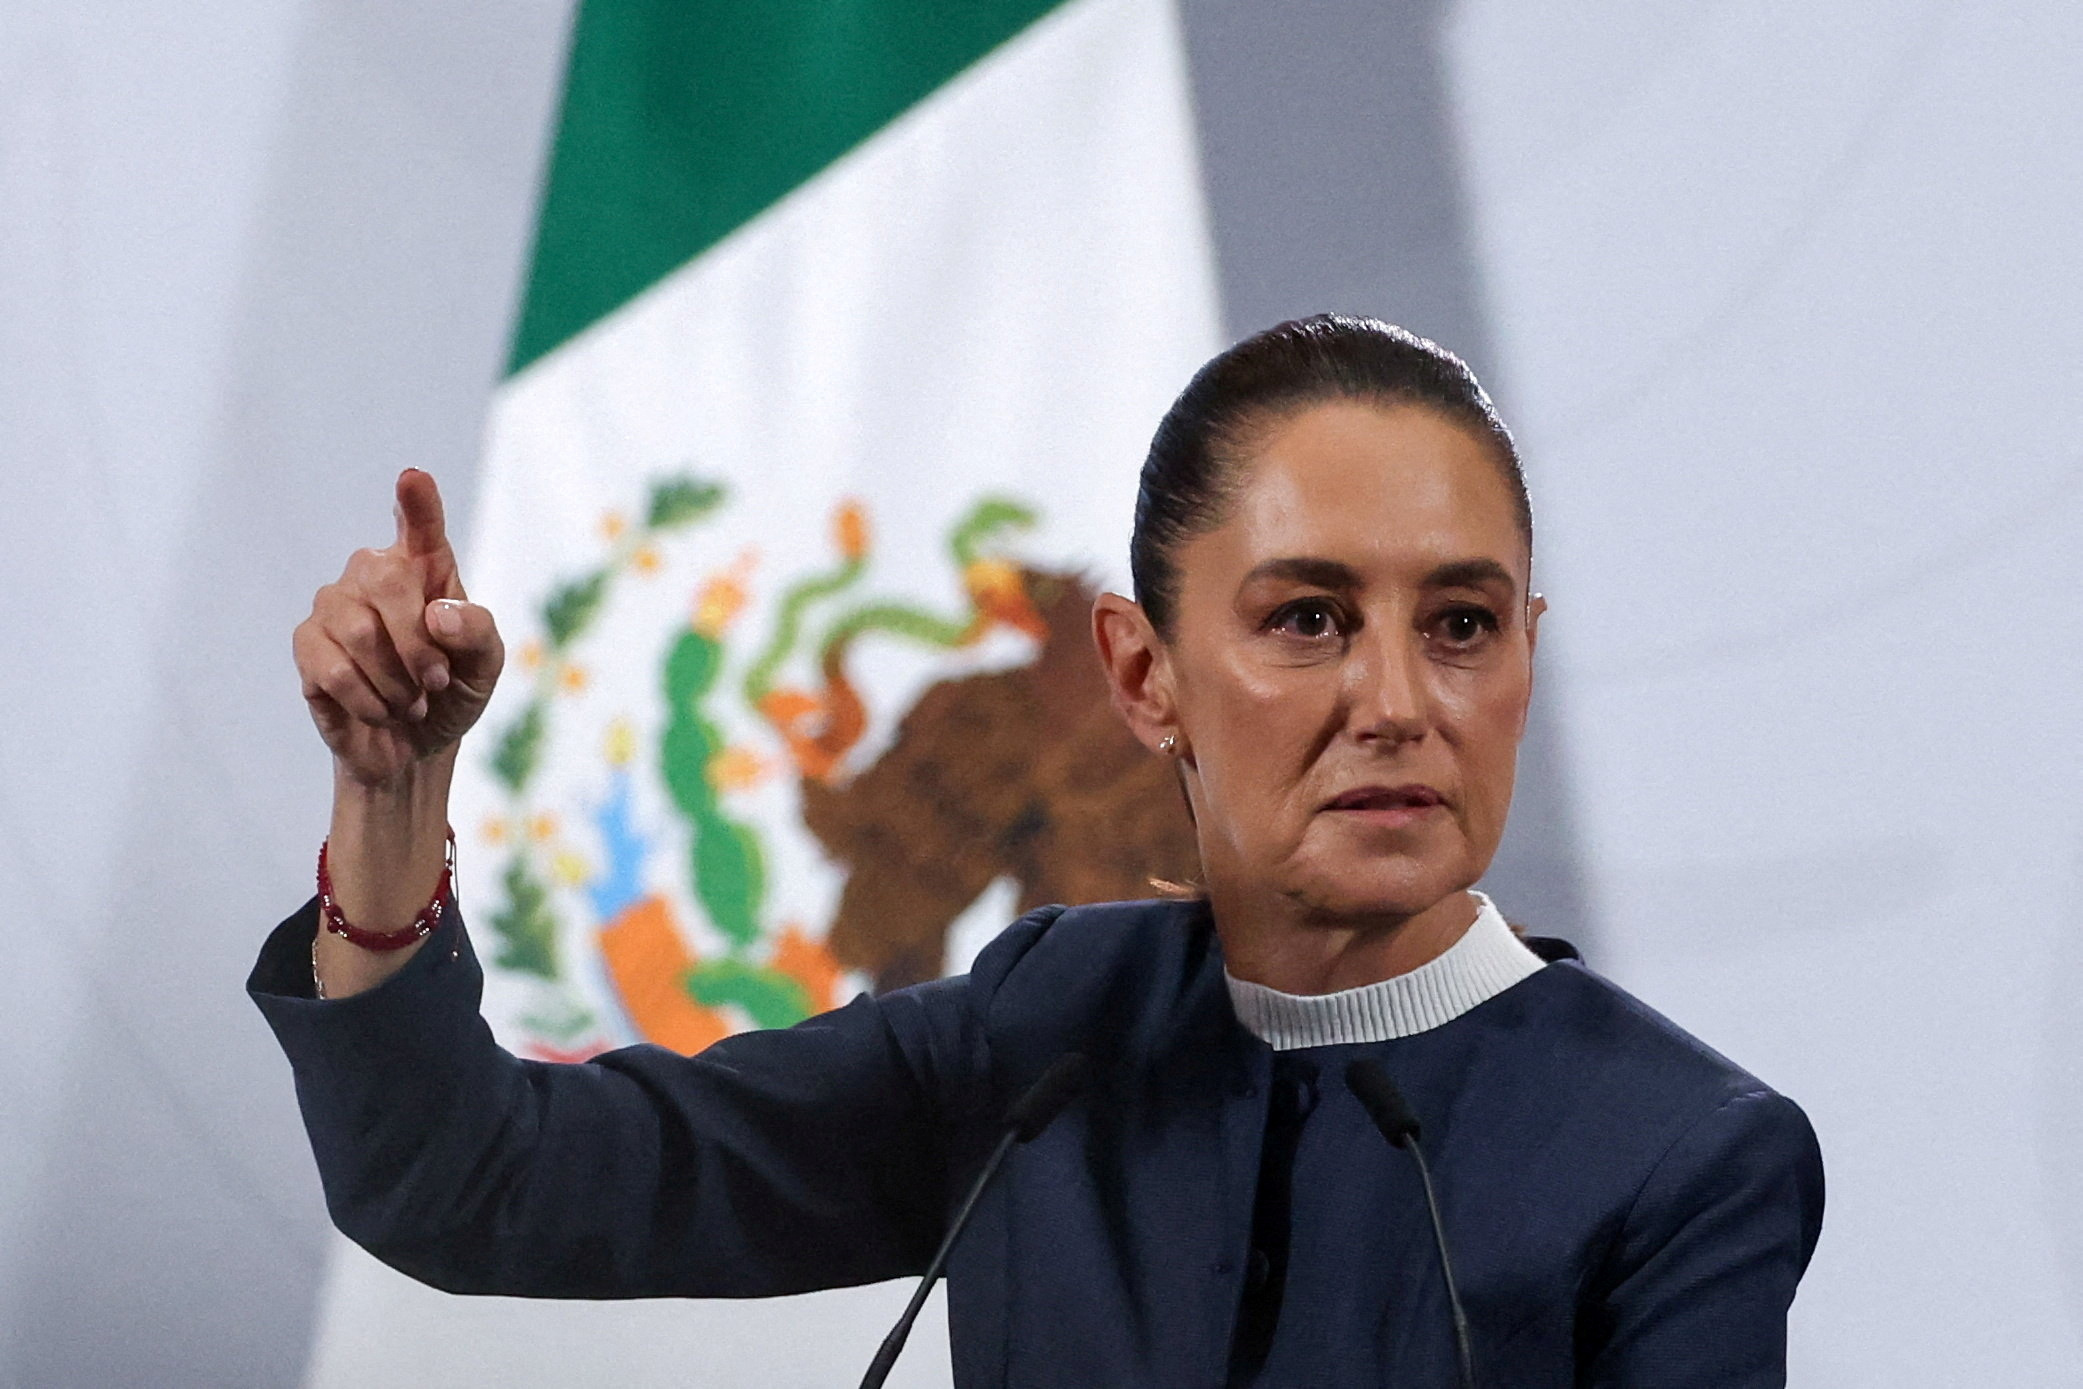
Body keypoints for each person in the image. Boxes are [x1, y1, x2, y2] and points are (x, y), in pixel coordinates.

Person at [251, 315, 1824, 1386]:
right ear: (1143, 674)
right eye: (1309, 619)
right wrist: (392, 801)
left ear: (1528, 655)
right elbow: (471, 1186)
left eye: (1463, 624)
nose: (1398, 703)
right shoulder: (1048, 1032)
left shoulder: (1682, 1154)